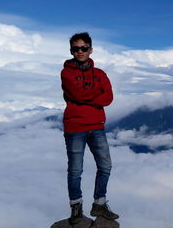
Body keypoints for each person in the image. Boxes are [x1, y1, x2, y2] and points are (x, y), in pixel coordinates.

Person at [60, 32, 119, 224]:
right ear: (71, 51)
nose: (80, 52)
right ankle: (76, 208)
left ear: (90, 49)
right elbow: (77, 93)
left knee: (105, 166)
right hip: (75, 127)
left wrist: (84, 96)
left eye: (84, 48)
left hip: (97, 127)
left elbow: (108, 98)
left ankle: (99, 203)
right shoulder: (66, 72)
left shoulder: (100, 73)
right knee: (75, 170)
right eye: (76, 49)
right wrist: (94, 94)